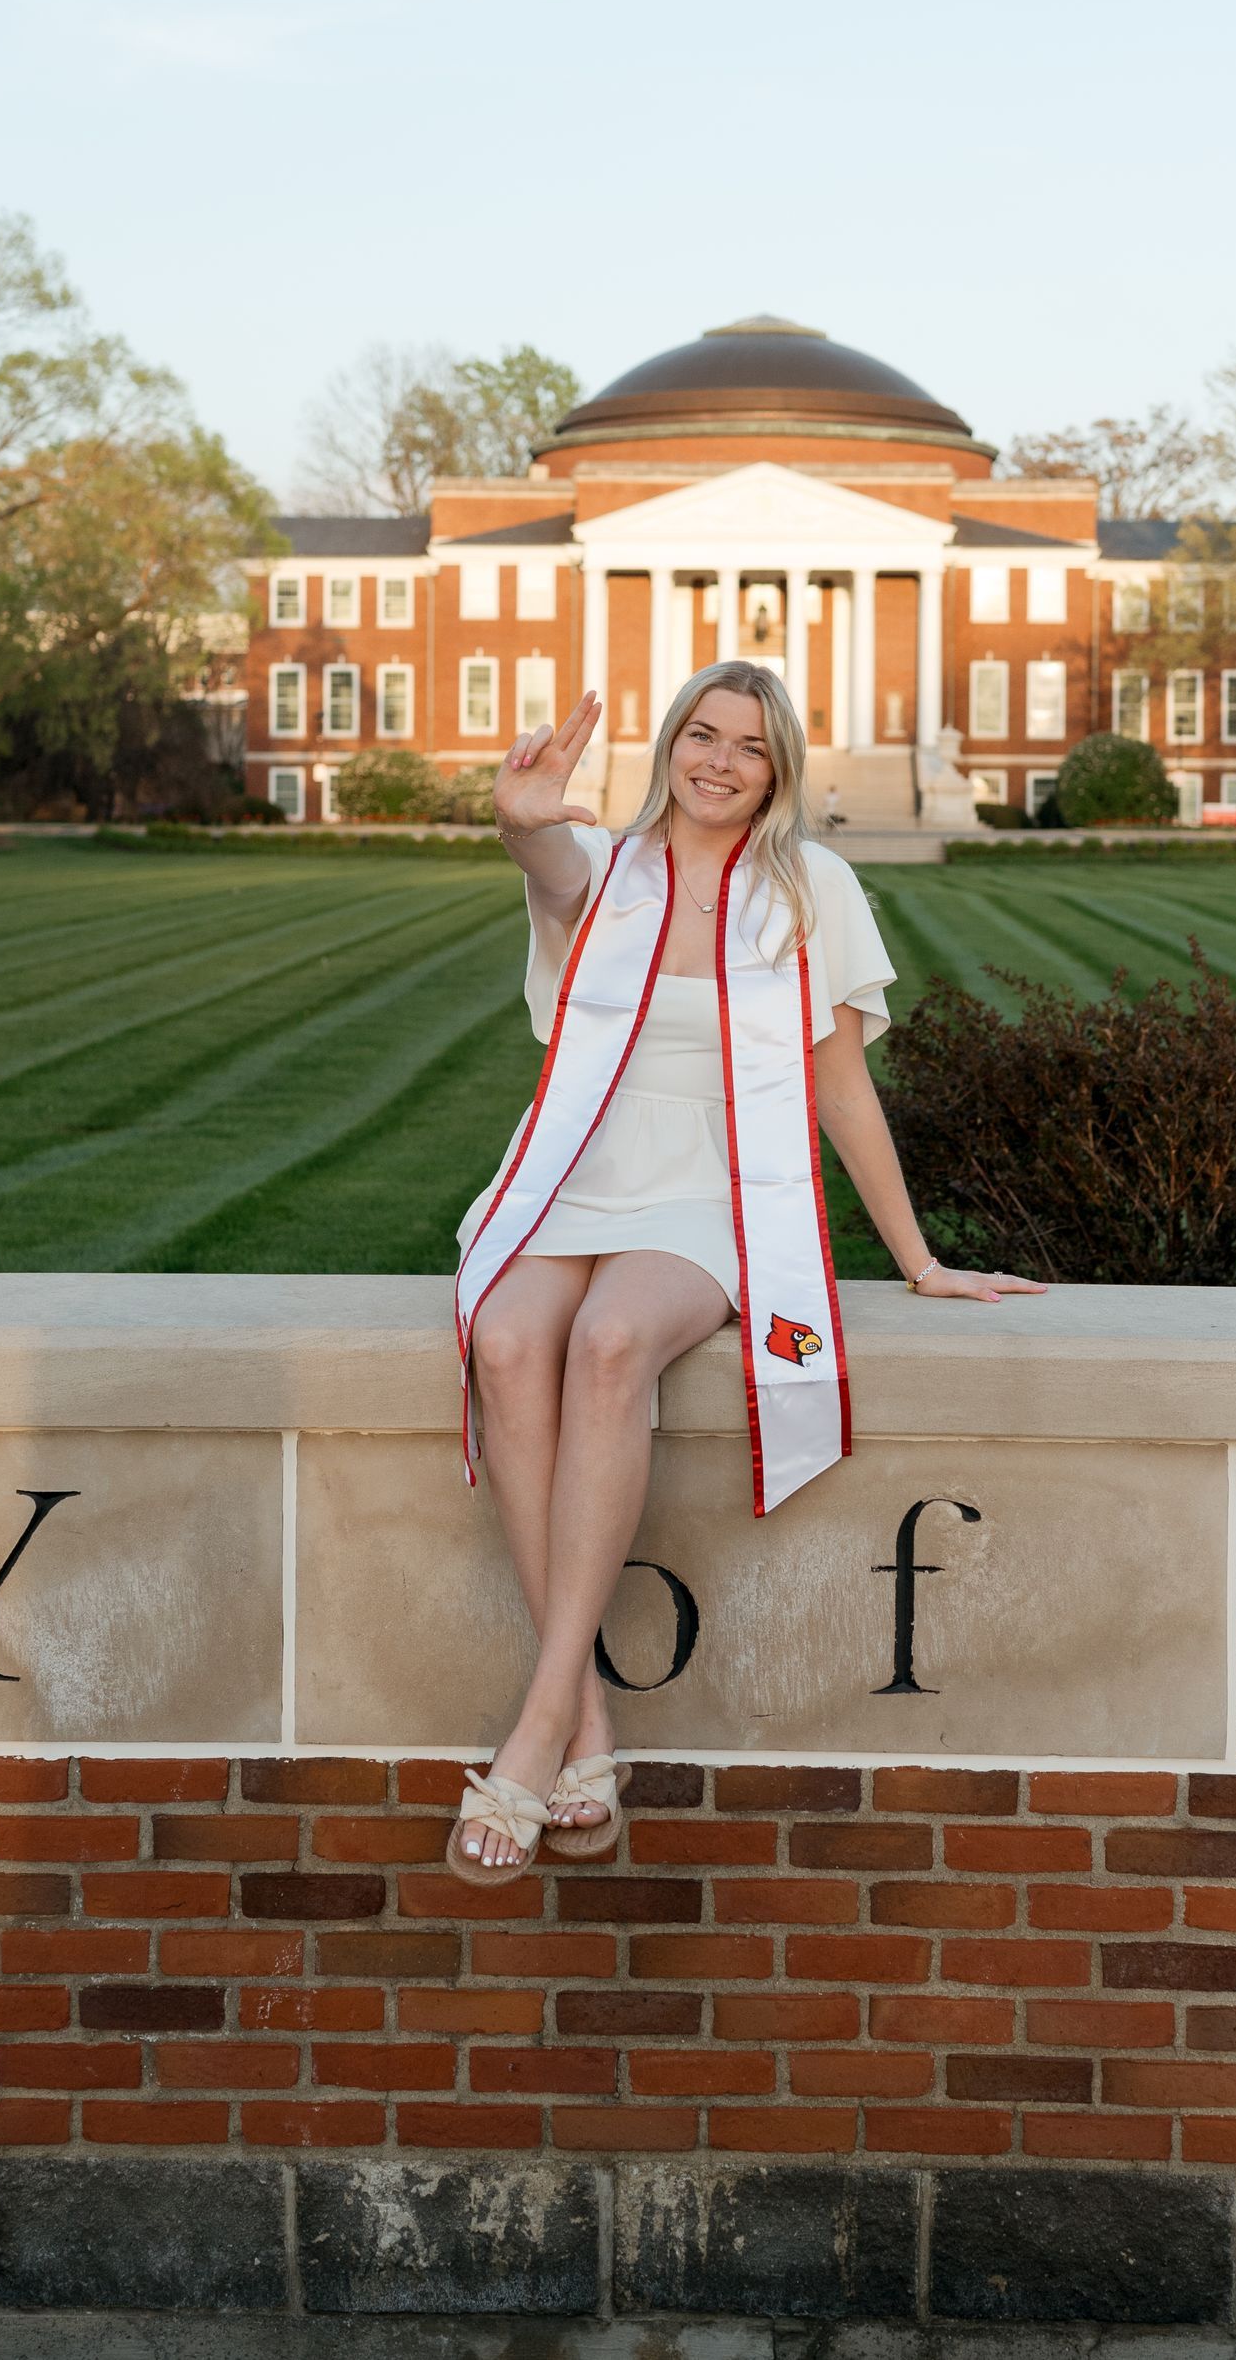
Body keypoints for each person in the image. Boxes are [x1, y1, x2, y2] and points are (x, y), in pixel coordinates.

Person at [446, 662, 1043, 1880]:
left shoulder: (808, 886)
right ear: (671, 741)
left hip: (713, 1186)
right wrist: (521, 816)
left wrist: (917, 1257)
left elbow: (836, 1083)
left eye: (750, 747)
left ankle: (535, 1732)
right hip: (570, 1164)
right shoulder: (605, 867)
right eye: (702, 735)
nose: (718, 761)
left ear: (781, 769)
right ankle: (589, 1722)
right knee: (507, 1343)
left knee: (613, 1342)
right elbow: (543, 862)